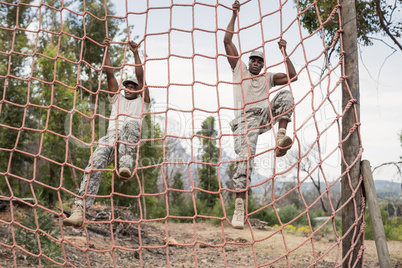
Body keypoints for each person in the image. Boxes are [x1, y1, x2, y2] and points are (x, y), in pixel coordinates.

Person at [224, 0, 298, 229]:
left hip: (264, 115)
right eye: (253, 60)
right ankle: (239, 209)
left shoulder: (268, 77)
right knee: (245, 160)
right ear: (248, 63)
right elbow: (227, 41)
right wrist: (234, 14)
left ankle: (281, 136)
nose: (256, 63)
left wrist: (284, 51)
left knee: (286, 94)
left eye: (259, 61)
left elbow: (293, 76)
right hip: (245, 120)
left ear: (263, 65)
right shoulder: (239, 70)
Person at [63, 37, 150, 227]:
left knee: (132, 125)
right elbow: (110, 75)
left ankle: (125, 164)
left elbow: (142, 78)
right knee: (95, 162)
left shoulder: (143, 104)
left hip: (129, 138)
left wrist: (135, 53)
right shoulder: (116, 99)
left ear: (138, 90)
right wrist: (106, 51)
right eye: (126, 86)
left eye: (133, 87)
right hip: (112, 137)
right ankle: (80, 209)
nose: (128, 88)